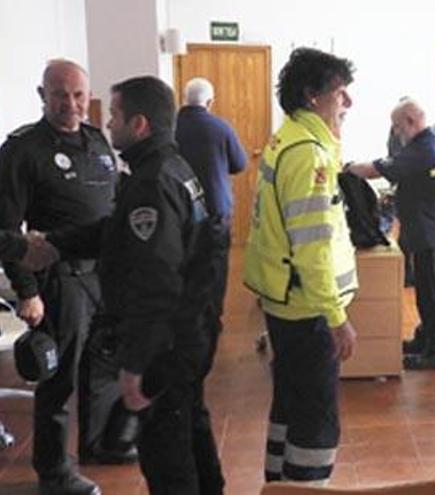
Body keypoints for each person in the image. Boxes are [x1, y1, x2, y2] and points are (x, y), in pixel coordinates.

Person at [47, 76, 224, 494]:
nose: (108, 125)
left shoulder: (151, 182)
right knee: (191, 432)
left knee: (167, 458)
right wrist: (57, 244)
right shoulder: (174, 168)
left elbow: (154, 282)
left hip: (168, 342)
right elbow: (120, 232)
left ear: (139, 124)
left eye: (114, 116)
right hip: (192, 331)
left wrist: (137, 364)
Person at [0, 59, 117, 495]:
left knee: (100, 367)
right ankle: (53, 471)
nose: (70, 104)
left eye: (78, 95)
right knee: (58, 378)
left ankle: (98, 443)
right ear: (42, 95)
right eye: (59, 95)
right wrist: (27, 292)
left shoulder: (97, 141)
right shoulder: (22, 150)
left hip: (101, 276)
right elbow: (9, 230)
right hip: (57, 282)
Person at [242, 47, 358, 485]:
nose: (347, 103)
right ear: (313, 96)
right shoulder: (310, 154)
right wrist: (336, 317)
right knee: (315, 418)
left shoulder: (286, 136)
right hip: (308, 308)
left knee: (289, 406)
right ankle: (305, 489)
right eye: (340, 93)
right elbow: (314, 249)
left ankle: (279, 486)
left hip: (284, 300)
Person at [347, 99, 435, 370]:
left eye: (398, 128)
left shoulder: (422, 149)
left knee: (432, 294)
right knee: (433, 292)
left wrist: (347, 167)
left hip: (434, 234)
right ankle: (426, 339)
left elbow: (374, 170)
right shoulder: (434, 141)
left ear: (411, 121)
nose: (397, 134)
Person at [175, 75, 247, 377]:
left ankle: (182, 322)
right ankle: (210, 321)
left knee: (182, 267)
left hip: (178, 211)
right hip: (215, 211)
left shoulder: (171, 127)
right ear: (210, 102)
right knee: (214, 270)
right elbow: (240, 163)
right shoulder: (220, 128)